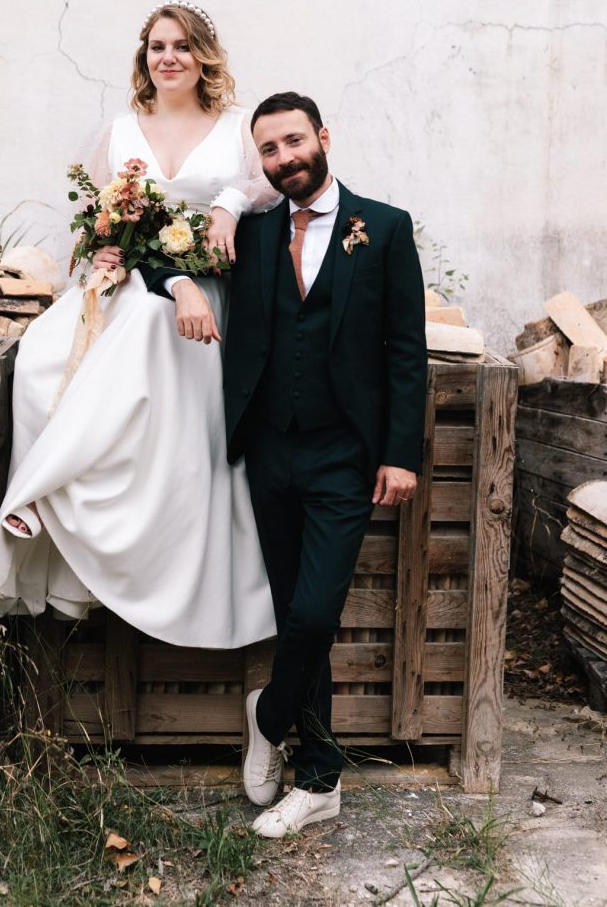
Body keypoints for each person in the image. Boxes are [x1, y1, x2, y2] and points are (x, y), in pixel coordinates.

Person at [145, 91, 427, 837]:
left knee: (313, 612)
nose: (284, 159)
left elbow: (406, 349)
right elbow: (150, 255)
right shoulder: (256, 235)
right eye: (268, 151)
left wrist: (402, 454)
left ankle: (267, 716)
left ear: (322, 138)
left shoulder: (387, 229)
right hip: (268, 450)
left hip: (345, 456)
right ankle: (320, 781)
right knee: (300, 622)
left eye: (293, 143)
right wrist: (178, 284)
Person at [0, 2, 276, 650]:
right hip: (131, 286)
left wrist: (227, 204)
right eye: (155, 46)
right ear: (143, 58)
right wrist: (104, 250)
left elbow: (269, 185)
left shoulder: (236, 129)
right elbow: (98, 224)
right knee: (37, 358)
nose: (166, 57)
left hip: (203, 292)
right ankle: (44, 495)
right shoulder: (117, 133)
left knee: (151, 320)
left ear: (204, 55)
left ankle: (61, 499)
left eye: (180, 46)